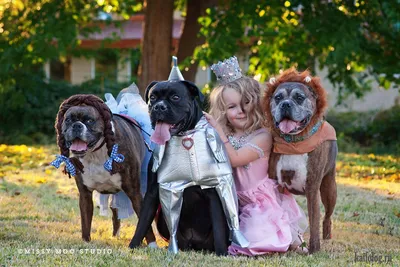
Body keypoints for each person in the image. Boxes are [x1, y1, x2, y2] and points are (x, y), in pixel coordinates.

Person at [203, 56, 308, 256]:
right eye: (231, 107)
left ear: (256, 103)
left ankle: (291, 236)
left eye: (246, 103)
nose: (240, 111)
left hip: (259, 200)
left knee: (252, 240)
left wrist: (216, 129)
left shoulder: (263, 136)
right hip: (230, 199)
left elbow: (235, 159)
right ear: (223, 111)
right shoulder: (228, 133)